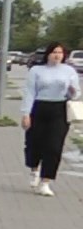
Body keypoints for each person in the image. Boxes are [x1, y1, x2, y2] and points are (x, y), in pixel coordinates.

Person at [20, 42, 77, 196]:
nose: (57, 55)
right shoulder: (37, 71)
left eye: (60, 52)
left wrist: (71, 91)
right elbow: (30, 92)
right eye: (54, 52)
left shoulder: (69, 71)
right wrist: (26, 113)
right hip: (39, 108)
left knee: (54, 146)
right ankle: (34, 169)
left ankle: (46, 181)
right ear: (48, 54)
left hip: (59, 110)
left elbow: (75, 94)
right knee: (34, 143)